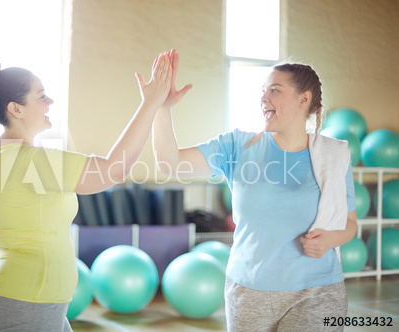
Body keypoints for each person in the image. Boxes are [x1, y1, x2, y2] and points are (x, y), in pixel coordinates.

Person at [0, 53, 172, 331]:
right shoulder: (33, 162)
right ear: (16, 108)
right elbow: (113, 170)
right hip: (28, 301)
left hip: (19, 296)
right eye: (41, 96)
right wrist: (150, 104)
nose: (50, 102)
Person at [152, 50, 357, 331]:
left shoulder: (334, 156)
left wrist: (330, 239)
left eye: (274, 90)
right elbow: (169, 163)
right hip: (249, 291)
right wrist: (161, 108)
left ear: (304, 98)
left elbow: (350, 224)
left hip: (318, 291)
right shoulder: (237, 145)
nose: (264, 98)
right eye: (262, 91)